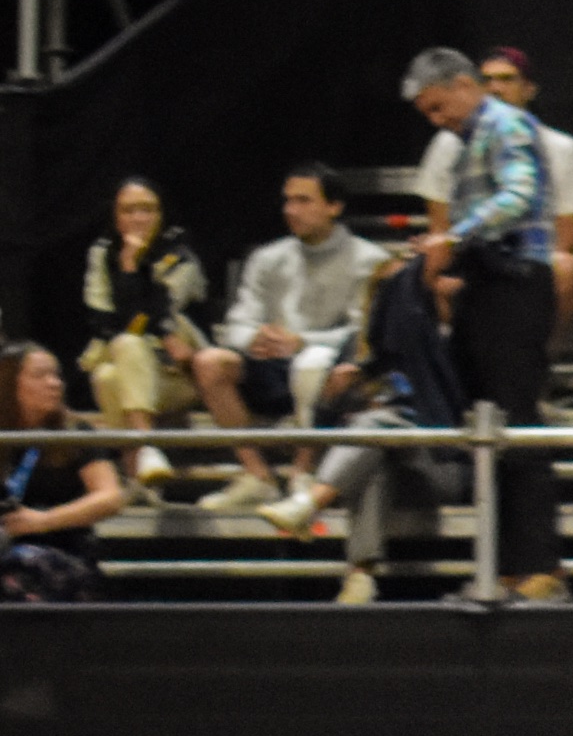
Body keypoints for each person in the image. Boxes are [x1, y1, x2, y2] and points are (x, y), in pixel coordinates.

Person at [404, 42, 569, 602]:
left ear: (461, 85)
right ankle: (502, 566)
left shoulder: (507, 124)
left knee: (516, 421)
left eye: (436, 107)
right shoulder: (470, 138)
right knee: (487, 429)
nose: (436, 121)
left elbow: (520, 195)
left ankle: (541, 565)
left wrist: (454, 236)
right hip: (487, 286)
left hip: (516, 285)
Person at [271, 245, 474, 596]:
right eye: (385, 289)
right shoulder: (359, 348)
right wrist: (337, 396)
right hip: (376, 464)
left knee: (378, 425)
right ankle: (360, 575)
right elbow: (324, 419)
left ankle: (310, 504)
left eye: (405, 287)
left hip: (441, 463)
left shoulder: (460, 340)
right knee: (374, 450)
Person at [190, 165, 385, 507]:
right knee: (209, 362)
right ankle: (257, 475)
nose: (290, 210)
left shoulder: (369, 259)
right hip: (272, 367)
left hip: (328, 373)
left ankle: (302, 472)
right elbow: (238, 323)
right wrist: (254, 338)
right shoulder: (268, 258)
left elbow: (363, 333)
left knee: (323, 360)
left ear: (333, 206)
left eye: (303, 201)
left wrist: (302, 342)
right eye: (288, 201)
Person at [422, 47, 573, 321]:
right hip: (469, 254)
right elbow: (440, 226)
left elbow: (566, 239)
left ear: (528, 89)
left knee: (565, 267)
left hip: (527, 255)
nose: (495, 88)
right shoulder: (447, 145)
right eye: (487, 80)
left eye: (506, 79)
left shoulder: (562, 148)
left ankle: (543, 358)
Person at [74, 178, 206, 487]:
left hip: (174, 377)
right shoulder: (102, 253)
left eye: (147, 210)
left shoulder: (181, 256)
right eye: (128, 210)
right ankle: (143, 473)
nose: (138, 219)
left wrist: (131, 268)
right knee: (107, 375)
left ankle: (143, 452)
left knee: (128, 343)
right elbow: (101, 319)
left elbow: (156, 316)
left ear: (160, 214)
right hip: (129, 369)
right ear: (115, 216)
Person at [0, 342, 121, 603]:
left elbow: (111, 497)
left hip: (64, 555)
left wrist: (43, 520)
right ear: (9, 383)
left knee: (21, 565)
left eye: (56, 375)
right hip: (5, 548)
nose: (54, 383)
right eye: (40, 375)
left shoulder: (75, 433)